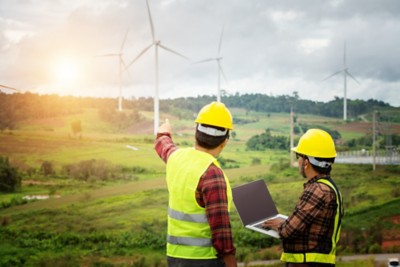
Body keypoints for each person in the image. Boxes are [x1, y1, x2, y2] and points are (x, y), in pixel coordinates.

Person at [154, 101, 238, 267]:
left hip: (174, 256)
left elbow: (162, 144)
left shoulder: (176, 158)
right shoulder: (212, 174)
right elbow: (221, 234)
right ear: (225, 141)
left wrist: (163, 132)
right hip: (204, 260)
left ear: (195, 133)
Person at [263, 129, 344, 267]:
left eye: (298, 156)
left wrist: (278, 224)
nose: (298, 161)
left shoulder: (317, 190)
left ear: (306, 162)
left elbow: (287, 231)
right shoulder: (328, 187)